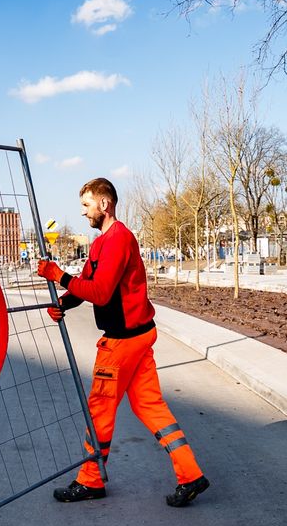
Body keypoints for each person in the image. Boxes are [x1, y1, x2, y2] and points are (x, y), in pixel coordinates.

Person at [36, 178, 211, 507]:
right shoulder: (101, 242)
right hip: (139, 337)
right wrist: (64, 301)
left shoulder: (119, 240)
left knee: (99, 409)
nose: (84, 212)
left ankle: (90, 481)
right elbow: (87, 283)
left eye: (87, 205)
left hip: (123, 343)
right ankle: (191, 475)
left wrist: (58, 274)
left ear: (104, 204)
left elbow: (100, 292)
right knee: (150, 406)